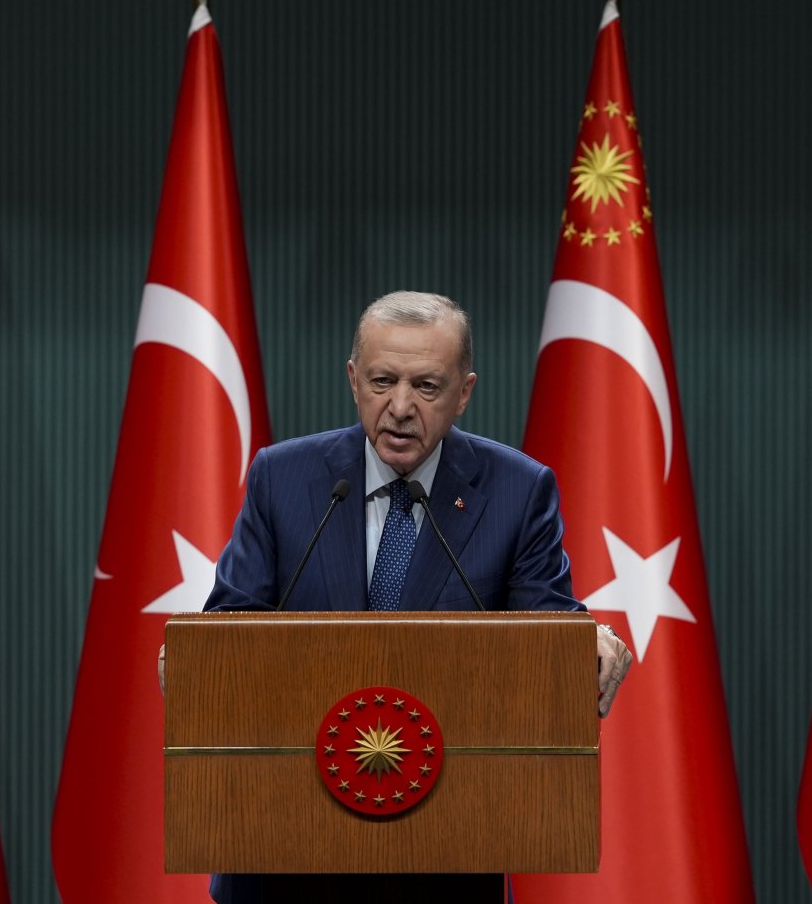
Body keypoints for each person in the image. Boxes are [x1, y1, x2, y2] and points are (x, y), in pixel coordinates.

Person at [180, 291, 632, 903]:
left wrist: (584, 640)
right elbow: (231, 625)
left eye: (426, 386)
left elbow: (545, 624)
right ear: (352, 379)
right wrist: (196, 656)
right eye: (382, 381)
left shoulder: (517, 491)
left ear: (464, 391)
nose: (399, 408)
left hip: (443, 859)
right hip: (283, 855)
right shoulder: (282, 478)